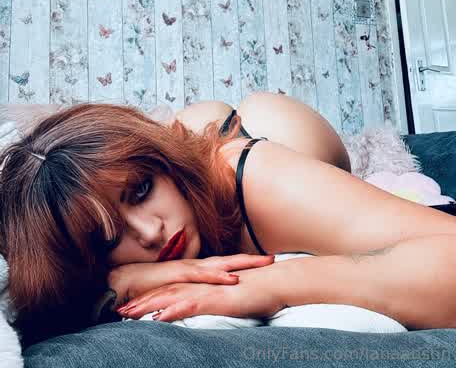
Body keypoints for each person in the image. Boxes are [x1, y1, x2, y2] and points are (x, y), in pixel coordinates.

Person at [1, 93, 456, 347]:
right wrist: (118, 283)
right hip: (204, 136)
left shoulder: (258, 178)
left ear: (168, 167)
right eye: (108, 239)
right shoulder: (95, 258)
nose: (151, 232)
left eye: (142, 190)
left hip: (275, 133)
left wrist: (271, 284)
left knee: (258, 117)